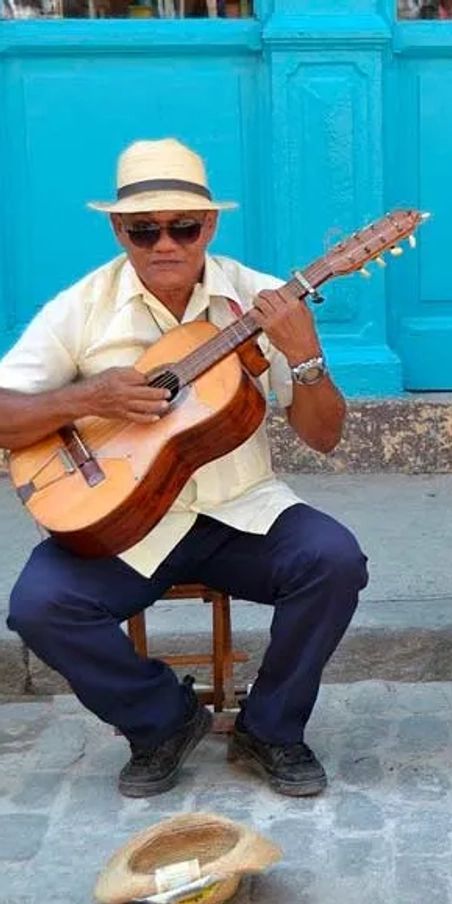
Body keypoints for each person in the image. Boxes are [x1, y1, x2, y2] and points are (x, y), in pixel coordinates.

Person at [0, 138, 370, 796]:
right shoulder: (80, 309)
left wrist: (307, 357)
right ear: (118, 230)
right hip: (125, 523)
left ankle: (271, 729)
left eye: (184, 227)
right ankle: (162, 721)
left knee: (335, 561)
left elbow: (325, 438)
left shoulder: (261, 302)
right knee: (38, 605)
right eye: (144, 230)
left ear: (212, 226)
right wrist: (89, 397)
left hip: (240, 511)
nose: (165, 244)